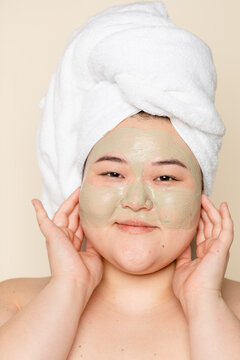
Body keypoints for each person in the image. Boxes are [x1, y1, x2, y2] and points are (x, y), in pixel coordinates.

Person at [1, 1, 240, 359]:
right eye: (113, 173)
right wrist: (70, 287)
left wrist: (203, 300)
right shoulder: (14, 304)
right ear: (77, 189)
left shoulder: (231, 314)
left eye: (165, 177)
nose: (137, 199)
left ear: (202, 195)